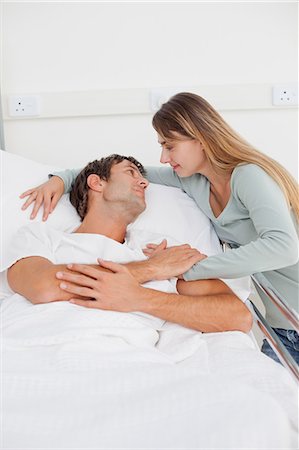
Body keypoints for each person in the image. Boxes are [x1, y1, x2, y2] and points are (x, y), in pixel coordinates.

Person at [19, 93, 298, 363]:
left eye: (169, 145)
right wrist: (60, 178)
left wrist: (188, 269)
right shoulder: (193, 181)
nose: (164, 157)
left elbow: (284, 248)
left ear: (200, 139)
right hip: (283, 323)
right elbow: (119, 175)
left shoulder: (249, 176)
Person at [8, 154, 252, 334]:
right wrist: (150, 270)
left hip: (125, 359)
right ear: (97, 183)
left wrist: (141, 298)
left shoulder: (159, 248)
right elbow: (43, 287)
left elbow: (237, 317)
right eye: (130, 172)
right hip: (34, 347)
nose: (144, 182)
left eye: (142, 177)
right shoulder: (40, 238)